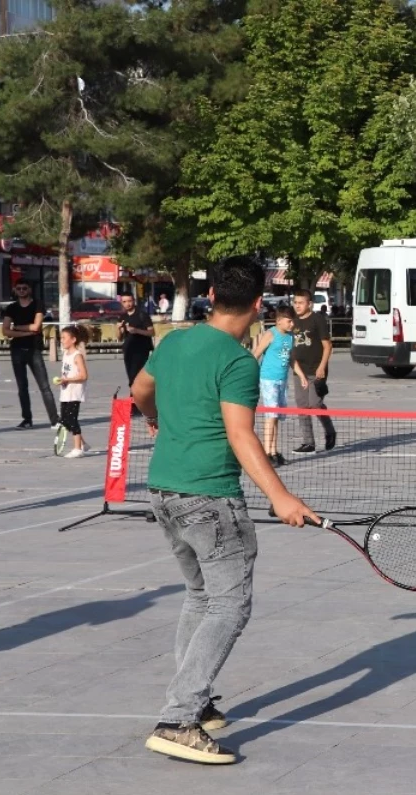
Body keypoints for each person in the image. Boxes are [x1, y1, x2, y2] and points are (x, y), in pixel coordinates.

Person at [131, 255, 319, 766]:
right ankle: (179, 718)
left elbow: (139, 392)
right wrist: (281, 496)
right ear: (259, 305)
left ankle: (199, 704)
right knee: (230, 606)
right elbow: (241, 435)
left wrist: (155, 420)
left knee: (200, 596)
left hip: (163, 489)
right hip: (209, 498)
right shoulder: (238, 362)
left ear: (211, 294)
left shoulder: (173, 342)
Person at [2, 281, 59, 430]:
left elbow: (37, 326)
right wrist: (27, 332)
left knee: (44, 386)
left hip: (34, 349)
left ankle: (55, 420)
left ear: (30, 289)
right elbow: (6, 331)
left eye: (24, 288)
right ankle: (26, 420)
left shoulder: (37, 305)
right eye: (18, 288)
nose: (21, 290)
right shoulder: (11, 308)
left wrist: (18, 328)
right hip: (17, 350)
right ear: (15, 290)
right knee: (22, 387)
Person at [252, 306, 302, 467]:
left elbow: (292, 359)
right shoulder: (270, 334)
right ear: (279, 320)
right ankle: (267, 453)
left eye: (293, 321)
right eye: (289, 321)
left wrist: (301, 376)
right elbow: (256, 354)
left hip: (282, 380)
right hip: (269, 379)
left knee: (277, 417)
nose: (291, 324)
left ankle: (274, 450)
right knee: (271, 416)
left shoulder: (290, 337)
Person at [290, 289, 336, 453]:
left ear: (309, 304)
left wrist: (322, 366)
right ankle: (308, 442)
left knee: (315, 404)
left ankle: (329, 431)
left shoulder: (317, 319)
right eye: (295, 302)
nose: (297, 306)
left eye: (301, 303)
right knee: (302, 406)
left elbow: (327, 345)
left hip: (316, 369)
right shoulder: (293, 321)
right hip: (299, 371)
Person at [57, 325, 90, 458]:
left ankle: (77, 449)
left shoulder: (77, 356)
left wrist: (68, 380)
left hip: (74, 393)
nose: (62, 340)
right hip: (65, 392)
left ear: (73, 339)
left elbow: (84, 375)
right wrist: (62, 380)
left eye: (64, 338)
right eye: (61, 338)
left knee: (72, 419)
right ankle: (84, 444)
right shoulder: (65, 354)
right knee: (65, 420)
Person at [120, 293, 155, 405]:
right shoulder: (123, 317)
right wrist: (118, 329)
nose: (127, 304)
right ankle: (134, 400)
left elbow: (151, 332)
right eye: (124, 302)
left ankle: (138, 402)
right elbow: (119, 337)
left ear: (133, 301)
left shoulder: (142, 315)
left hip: (141, 350)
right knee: (131, 377)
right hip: (128, 350)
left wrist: (136, 330)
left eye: (129, 301)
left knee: (137, 376)